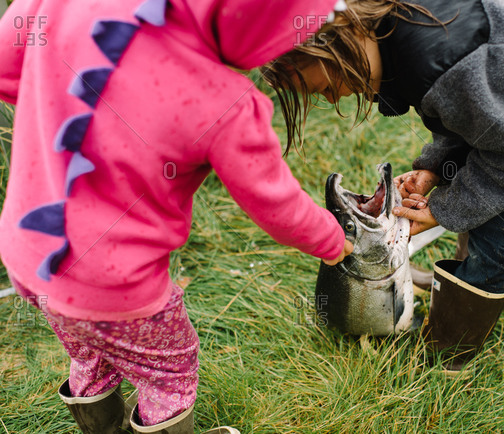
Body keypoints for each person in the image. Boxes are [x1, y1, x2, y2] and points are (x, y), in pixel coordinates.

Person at [0, 0, 353, 432]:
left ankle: (102, 425)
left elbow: (6, 65)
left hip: (28, 258)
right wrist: (332, 242)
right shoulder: (226, 102)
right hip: (118, 289)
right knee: (169, 375)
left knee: (89, 352)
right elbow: (275, 204)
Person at [262, 0, 504, 370]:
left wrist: (443, 210)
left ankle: (448, 356)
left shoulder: (436, 60)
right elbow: (489, 118)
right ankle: (457, 285)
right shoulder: (408, 28)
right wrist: (436, 168)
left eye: (322, 87)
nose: (333, 98)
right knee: (482, 198)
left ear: (330, 40)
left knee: (502, 228)